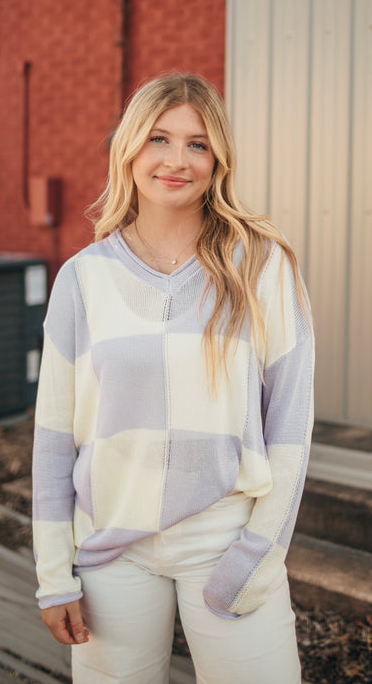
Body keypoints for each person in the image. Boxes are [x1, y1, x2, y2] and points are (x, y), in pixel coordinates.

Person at [32, 72, 315, 684]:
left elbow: (290, 425)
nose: (176, 160)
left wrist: (257, 553)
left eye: (198, 144)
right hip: (112, 551)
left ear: (219, 160)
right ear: (130, 148)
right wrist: (55, 576)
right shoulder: (82, 278)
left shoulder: (263, 263)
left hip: (225, 540)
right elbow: (54, 437)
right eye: (159, 138)